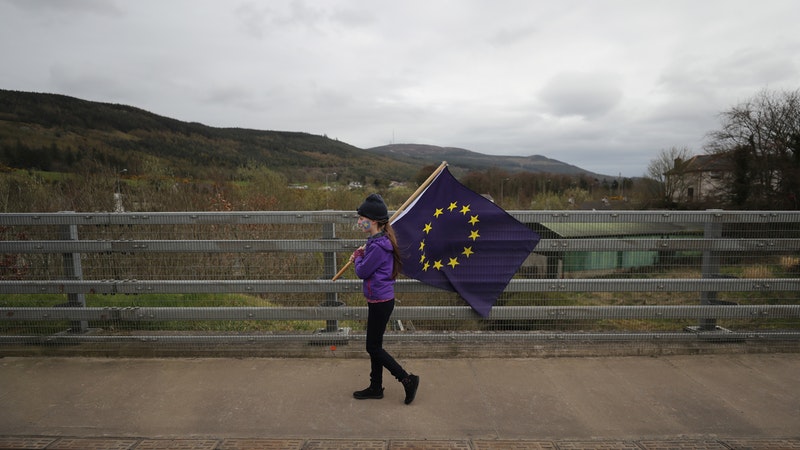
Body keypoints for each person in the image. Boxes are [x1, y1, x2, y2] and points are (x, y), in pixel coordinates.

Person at [350, 193, 419, 405]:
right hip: (378, 300)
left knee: (373, 347)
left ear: (374, 222)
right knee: (375, 345)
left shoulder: (378, 246)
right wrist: (362, 255)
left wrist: (357, 258)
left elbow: (362, 272)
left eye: (362, 218)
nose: (359, 222)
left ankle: (407, 379)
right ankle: (375, 387)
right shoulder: (376, 242)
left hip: (380, 302)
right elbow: (369, 266)